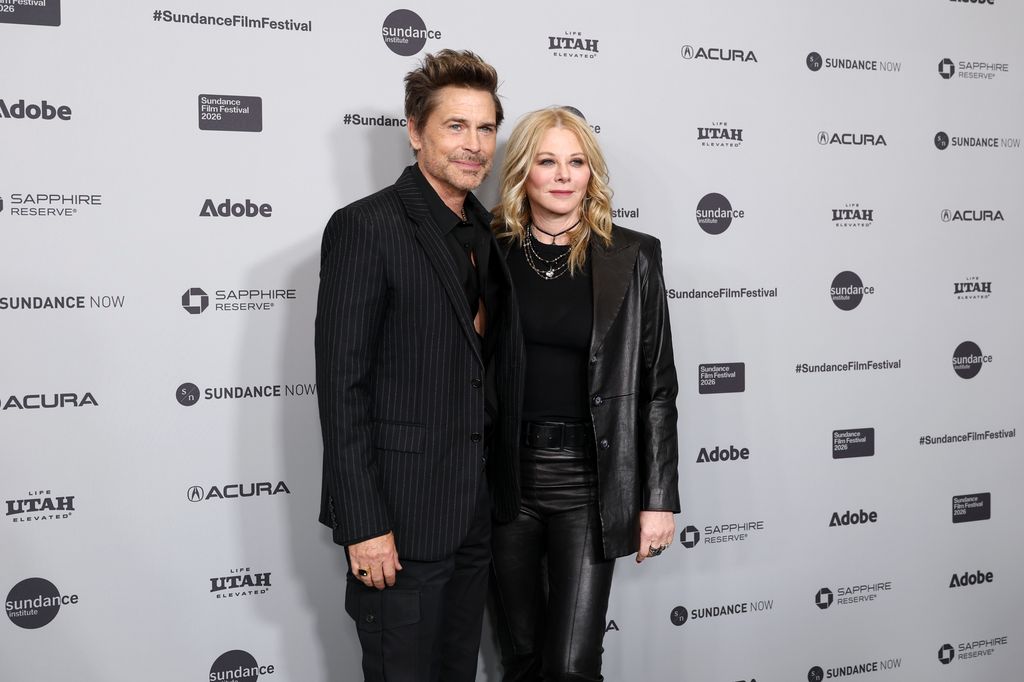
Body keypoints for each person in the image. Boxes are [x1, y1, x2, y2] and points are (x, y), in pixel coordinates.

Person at [314, 49, 523, 682]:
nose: (474, 144)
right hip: (398, 527)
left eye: (485, 128)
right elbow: (341, 388)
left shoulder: (491, 235)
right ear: (415, 131)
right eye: (455, 126)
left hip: (473, 520)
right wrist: (365, 525)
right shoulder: (366, 227)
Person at [489, 107, 680, 682]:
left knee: (571, 665)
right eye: (547, 161)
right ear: (524, 170)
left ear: (592, 173)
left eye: (577, 162)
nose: (563, 175)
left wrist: (659, 496)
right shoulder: (487, 248)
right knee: (521, 659)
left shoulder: (633, 254)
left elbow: (657, 385)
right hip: (503, 480)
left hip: (589, 481)